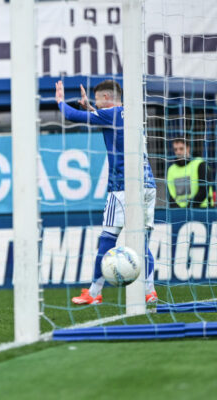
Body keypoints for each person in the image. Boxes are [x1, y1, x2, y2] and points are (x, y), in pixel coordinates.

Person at [55, 80, 158, 305]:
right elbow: (110, 120)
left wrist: (61, 102)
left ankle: (94, 293)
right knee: (141, 242)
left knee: (107, 239)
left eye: (98, 100)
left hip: (122, 186)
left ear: (105, 98)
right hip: (148, 183)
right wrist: (92, 110)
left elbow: (73, 117)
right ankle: (150, 292)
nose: (97, 104)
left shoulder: (109, 113)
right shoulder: (130, 112)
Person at [167, 138, 214, 208]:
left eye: (181, 149)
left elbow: (204, 190)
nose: (178, 152)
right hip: (180, 212)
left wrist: (189, 207)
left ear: (188, 148)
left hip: (202, 209)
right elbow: (170, 194)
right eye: (175, 149)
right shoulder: (171, 169)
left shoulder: (200, 164)